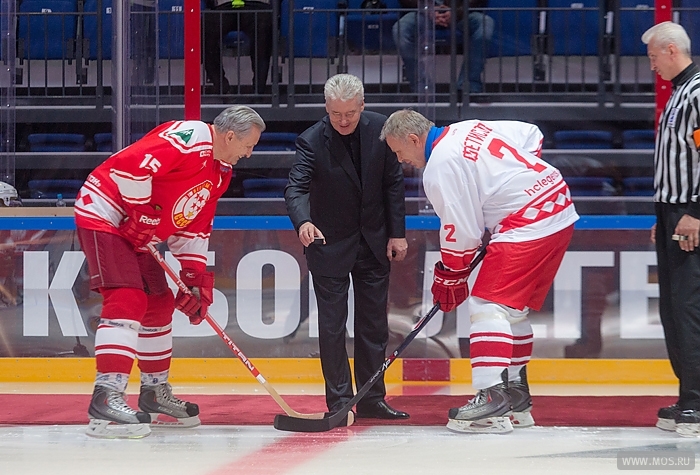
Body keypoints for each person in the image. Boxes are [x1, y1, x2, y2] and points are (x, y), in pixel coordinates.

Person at [380, 109, 579, 434]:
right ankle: (515, 397)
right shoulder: (469, 128)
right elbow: (531, 133)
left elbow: (463, 231)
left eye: (400, 152)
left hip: (528, 223)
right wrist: (514, 182)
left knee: (487, 305)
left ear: (414, 139)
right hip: (558, 205)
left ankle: (491, 399)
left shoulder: (440, 165)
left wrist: (450, 274)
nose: (403, 161)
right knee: (512, 311)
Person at [74, 106, 265, 439]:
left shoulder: (221, 173)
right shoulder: (188, 137)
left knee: (159, 303)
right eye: (248, 145)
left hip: (139, 231)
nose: (249, 154)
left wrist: (193, 278)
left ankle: (153, 392)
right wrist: (142, 213)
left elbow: (194, 224)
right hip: (106, 213)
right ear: (230, 135)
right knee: (127, 297)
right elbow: (131, 166)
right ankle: (106, 397)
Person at [284, 74, 409, 419]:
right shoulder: (310, 141)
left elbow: (393, 184)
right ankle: (339, 402)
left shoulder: (382, 130)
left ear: (362, 106)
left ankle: (371, 398)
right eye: (336, 113)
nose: (342, 120)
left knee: (373, 325)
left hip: (374, 242)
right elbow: (295, 189)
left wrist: (397, 233)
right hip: (328, 244)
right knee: (333, 326)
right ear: (326, 107)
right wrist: (303, 221)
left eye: (350, 113)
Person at [642, 21, 700, 438]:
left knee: (687, 306)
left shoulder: (696, 91)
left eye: (652, 58)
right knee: (671, 310)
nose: (651, 67)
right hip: (670, 211)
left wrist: (694, 210)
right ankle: (688, 394)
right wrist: (661, 211)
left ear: (670, 50)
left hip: (688, 212)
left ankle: (697, 400)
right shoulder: (680, 91)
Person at [392, 0, 493, 94]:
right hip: (423, 13)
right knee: (400, 29)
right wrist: (428, 9)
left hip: (461, 13)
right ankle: (421, 87)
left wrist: (456, 12)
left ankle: (469, 85)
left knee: (484, 24)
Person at [203, 0, 274, 94]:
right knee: (206, 28)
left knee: (263, 30)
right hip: (225, 6)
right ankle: (222, 88)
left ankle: (259, 91)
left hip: (257, 5)